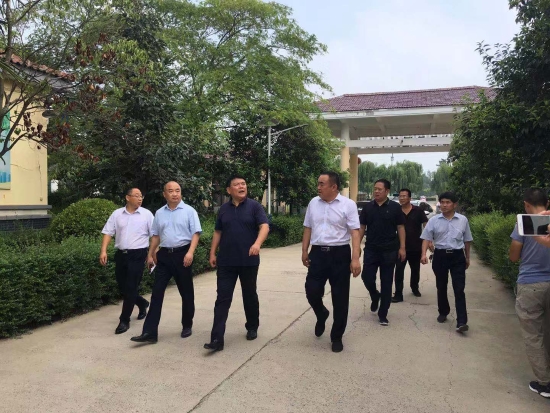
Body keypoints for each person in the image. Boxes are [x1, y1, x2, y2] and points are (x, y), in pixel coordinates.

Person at [204, 175, 269, 352]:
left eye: (243, 184)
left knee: (249, 295)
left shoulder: (255, 206)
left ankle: (252, 326)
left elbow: (264, 226)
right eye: (237, 184)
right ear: (229, 190)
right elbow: (218, 232)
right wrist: (212, 252)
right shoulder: (223, 209)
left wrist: (257, 244)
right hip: (226, 261)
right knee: (222, 298)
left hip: (248, 261)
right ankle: (217, 339)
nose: (241, 186)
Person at [131, 181, 202, 344]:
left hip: (182, 255)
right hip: (163, 256)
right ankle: (150, 332)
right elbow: (156, 236)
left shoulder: (189, 211)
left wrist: (190, 252)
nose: (175, 193)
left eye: (177, 190)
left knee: (186, 292)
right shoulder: (159, 213)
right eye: (171, 191)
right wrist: (150, 254)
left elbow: (196, 233)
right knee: (157, 293)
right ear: (164, 194)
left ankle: (187, 324)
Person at [302, 172, 361, 353]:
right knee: (311, 290)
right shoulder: (313, 203)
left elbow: (355, 232)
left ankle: (337, 336)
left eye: (322, 184)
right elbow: (308, 227)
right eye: (318, 183)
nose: (318, 187)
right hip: (318, 253)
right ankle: (321, 313)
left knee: (340, 297)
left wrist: (355, 258)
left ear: (334, 187)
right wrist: (304, 250)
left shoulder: (348, 205)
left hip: (340, 254)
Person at [509, 188, 550, 399]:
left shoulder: (523, 225)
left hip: (530, 284)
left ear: (526, 204)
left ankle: (545, 383)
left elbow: (514, 256)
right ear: (547, 203)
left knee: (534, 335)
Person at [100, 188, 154, 334]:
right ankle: (142, 303)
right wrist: (103, 250)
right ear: (127, 197)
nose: (140, 198)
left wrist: (151, 255)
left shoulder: (147, 214)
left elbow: (155, 236)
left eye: (141, 196)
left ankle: (124, 320)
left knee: (131, 287)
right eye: (136, 196)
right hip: (121, 255)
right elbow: (108, 232)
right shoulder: (117, 214)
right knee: (123, 287)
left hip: (138, 254)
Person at [420, 191, 472, 333]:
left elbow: (467, 240)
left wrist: (467, 257)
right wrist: (423, 254)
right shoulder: (434, 220)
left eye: (448, 202)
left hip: (457, 256)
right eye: (442, 202)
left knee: (459, 288)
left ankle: (462, 321)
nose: (444, 205)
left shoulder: (463, 220)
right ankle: (443, 311)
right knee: (441, 286)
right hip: (440, 255)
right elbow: (426, 237)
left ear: (454, 205)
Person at [358, 179, 406, 326]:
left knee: (386, 282)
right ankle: (374, 295)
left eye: (379, 189)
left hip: (389, 250)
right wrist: (357, 245)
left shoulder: (395, 207)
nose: (376, 191)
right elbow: (362, 227)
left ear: (387, 191)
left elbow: (400, 227)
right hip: (371, 249)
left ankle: (383, 314)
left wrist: (402, 247)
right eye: (375, 189)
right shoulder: (368, 207)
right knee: (366, 277)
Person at [392, 188, 428, 302]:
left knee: (415, 270)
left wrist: (429, 240)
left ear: (410, 198)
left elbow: (426, 225)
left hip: (415, 246)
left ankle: (415, 287)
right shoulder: (396, 211)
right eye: (400, 196)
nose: (402, 198)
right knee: (399, 270)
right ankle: (398, 293)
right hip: (399, 247)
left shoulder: (418, 211)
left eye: (404, 196)